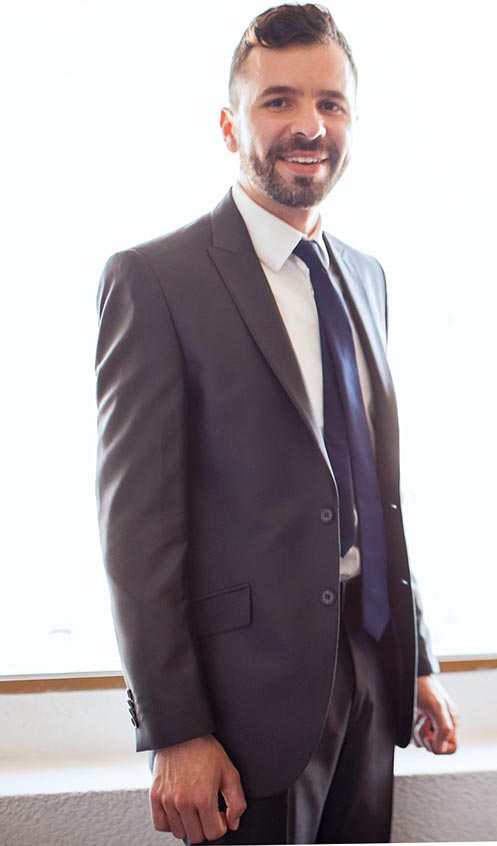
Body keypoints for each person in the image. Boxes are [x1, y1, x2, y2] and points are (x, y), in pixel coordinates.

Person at [95, 5, 458, 843]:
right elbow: (136, 530)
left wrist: (417, 659)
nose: (309, 125)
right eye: (278, 102)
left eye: (331, 104)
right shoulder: (155, 279)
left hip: (371, 677)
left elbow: (375, 487)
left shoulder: (366, 278)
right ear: (230, 124)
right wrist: (175, 729)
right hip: (239, 705)